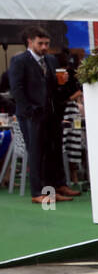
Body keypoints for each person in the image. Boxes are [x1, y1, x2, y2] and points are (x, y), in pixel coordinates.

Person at [10, 27, 78, 203]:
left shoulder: (51, 60)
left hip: (52, 113)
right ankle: (37, 192)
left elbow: (54, 88)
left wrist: (64, 84)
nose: (44, 47)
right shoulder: (19, 60)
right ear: (30, 42)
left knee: (53, 150)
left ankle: (57, 186)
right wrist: (29, 111)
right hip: (32, 115)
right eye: (40, 43)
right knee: (36, 152)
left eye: (47, 43)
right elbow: (17, 89)